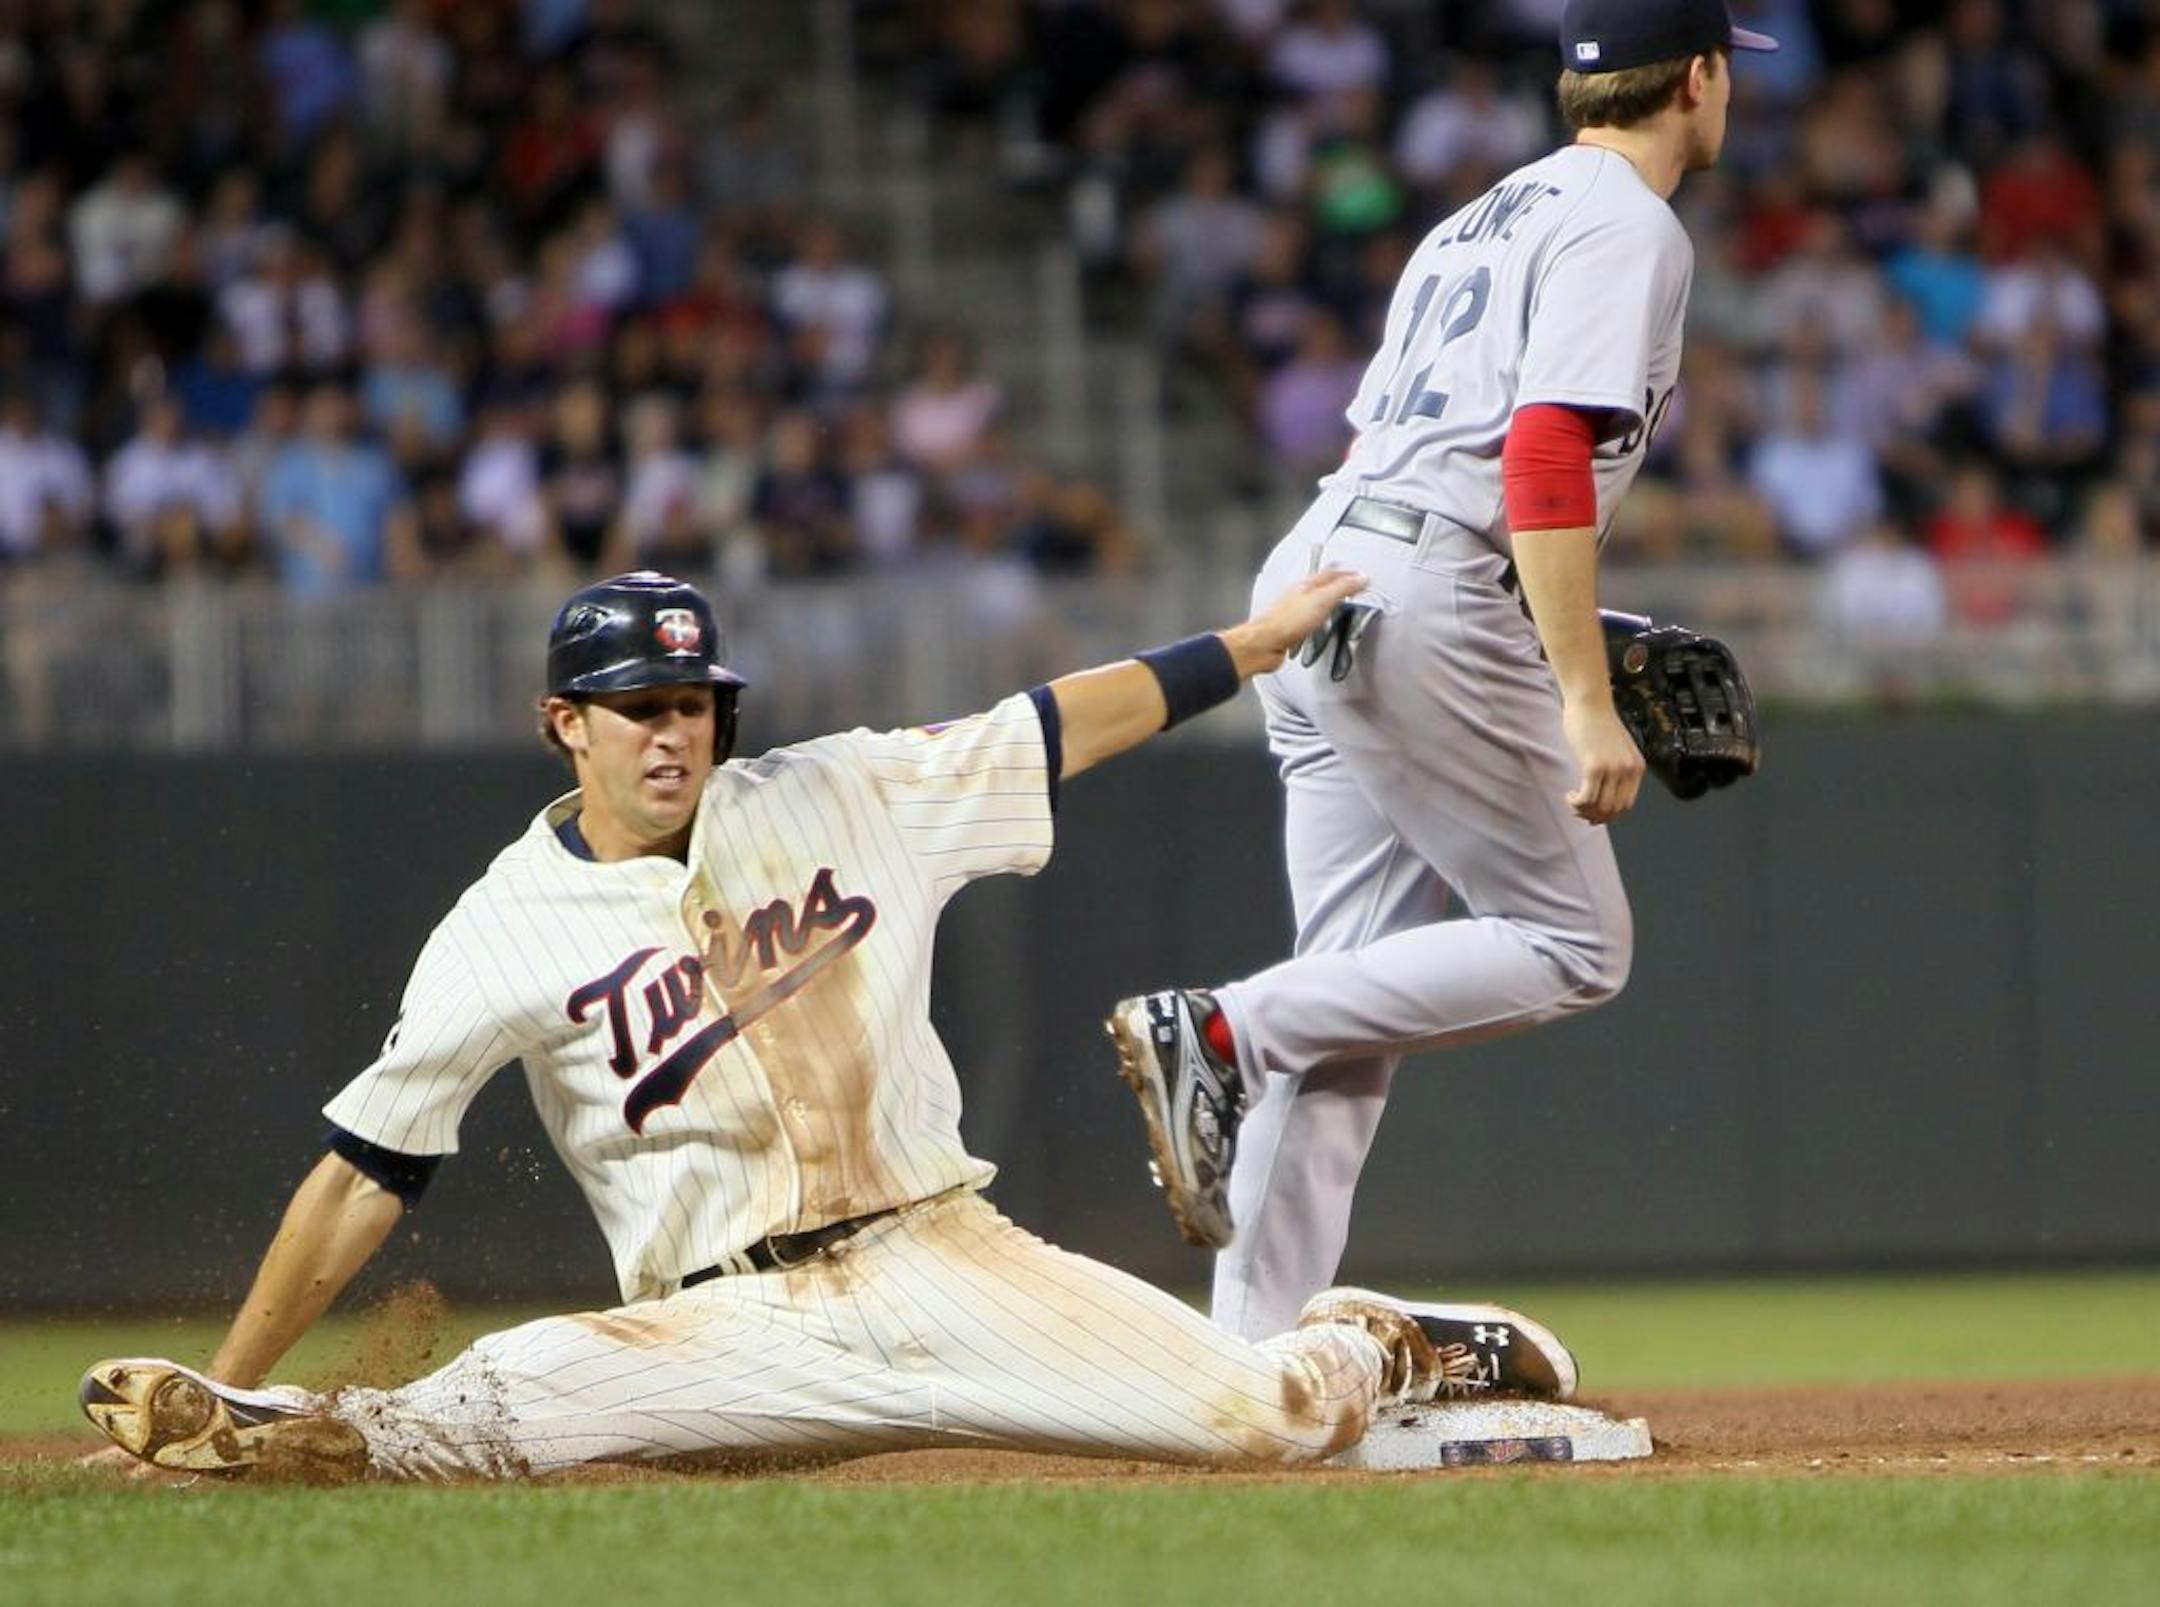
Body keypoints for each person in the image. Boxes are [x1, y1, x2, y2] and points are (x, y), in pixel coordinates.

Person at [80, 570, 1582, 1482]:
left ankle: (1373, 1343)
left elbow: (1048, 727)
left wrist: (1249, 650)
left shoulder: (836, 791)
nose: (673, 728)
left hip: (943, 1252)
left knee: (1265, 1421)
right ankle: (249, 1426)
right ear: (565, 725)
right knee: (481, 1412)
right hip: (729, 1326)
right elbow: (364, 1173)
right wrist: (243, 1352)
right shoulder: (498, 928)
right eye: (636, 704)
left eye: (692, 698)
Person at [1104, 0, 1778, 1340]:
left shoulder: (1477, 216)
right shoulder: (1628, 222)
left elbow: (1412, 461)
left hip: (1323, 573)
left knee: (1346, 1000)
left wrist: (1550, 630)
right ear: (1698, 78)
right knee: (1577, 946)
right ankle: (1222, 1026)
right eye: (1725, 70)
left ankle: (1248, 1367)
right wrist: (1584, 696)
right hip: (1428, 586)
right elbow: (1535, 459)